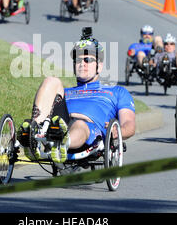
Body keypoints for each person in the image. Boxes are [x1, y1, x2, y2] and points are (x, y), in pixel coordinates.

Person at [17, 27, 136, 167]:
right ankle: (34, 134)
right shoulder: (65, 91)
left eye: (87, 60)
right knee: (51, 81)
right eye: (78, 60)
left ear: (99, 66)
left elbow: (129, 124)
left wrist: (119, 131)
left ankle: (63, 143)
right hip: (60, 123)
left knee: (80, 123)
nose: (82, 64)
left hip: (90, 130)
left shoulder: (117, 92)